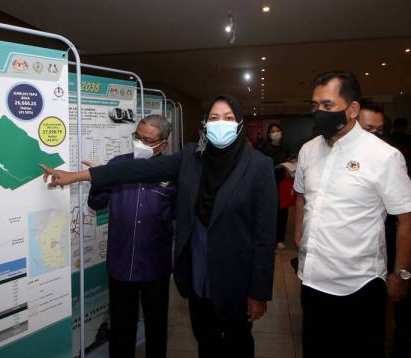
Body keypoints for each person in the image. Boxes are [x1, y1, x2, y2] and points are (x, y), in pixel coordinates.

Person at [42, 95, 277, 358]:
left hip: (235, 278)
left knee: (237, 342)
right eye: (213, 118)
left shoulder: (259, 166)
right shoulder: (191, 156)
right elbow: (134, 171)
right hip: (198, 272)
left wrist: (259, 292)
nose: (220, 123)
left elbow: (265, 236)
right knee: (206, 341)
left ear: (240, 123)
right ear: (204, 124)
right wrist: (75, 176)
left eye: (228, 118)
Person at [293, 71, 411, 358]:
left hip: (359, 286)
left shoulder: (383, 156)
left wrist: (401, 274)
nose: (319, 113)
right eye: (315, 106)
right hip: (312, 281)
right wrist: (298, 234)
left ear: (352, 110)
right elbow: (301, 195)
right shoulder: (308, 151)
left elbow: (410, 218)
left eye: (328, 105)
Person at [86, 114, 176, 358]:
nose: (140, 143)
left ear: (163, 145)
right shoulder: (117, 165)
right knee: (121, 327)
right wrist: (99, 180)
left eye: (147, 140)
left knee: (156, 327)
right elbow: (96, 203)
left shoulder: (172, 173)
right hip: (121, 263)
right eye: (137, 136)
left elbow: (182, 214)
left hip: (155, 266)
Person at [358, 100, 411, 358]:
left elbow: (409, 218)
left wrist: (401, 274)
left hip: (391, 242)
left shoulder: (391, 158)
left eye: (377, 131)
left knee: (400, 308)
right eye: (365, 129)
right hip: (358, 258)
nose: (372, 137)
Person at [259, 123, 290, 250]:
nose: (276, 133)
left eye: (278, 131)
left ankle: (280, 239)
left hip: (283, 183)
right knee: (271, 212)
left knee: (283, 211)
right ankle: (271, 240)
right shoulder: (264, 149)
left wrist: (289, 164)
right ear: (269, 134)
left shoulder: (285, 147)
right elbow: (262, 168)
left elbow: (288, 160)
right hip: (269, 184)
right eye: (273, 131)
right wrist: (276, 167)